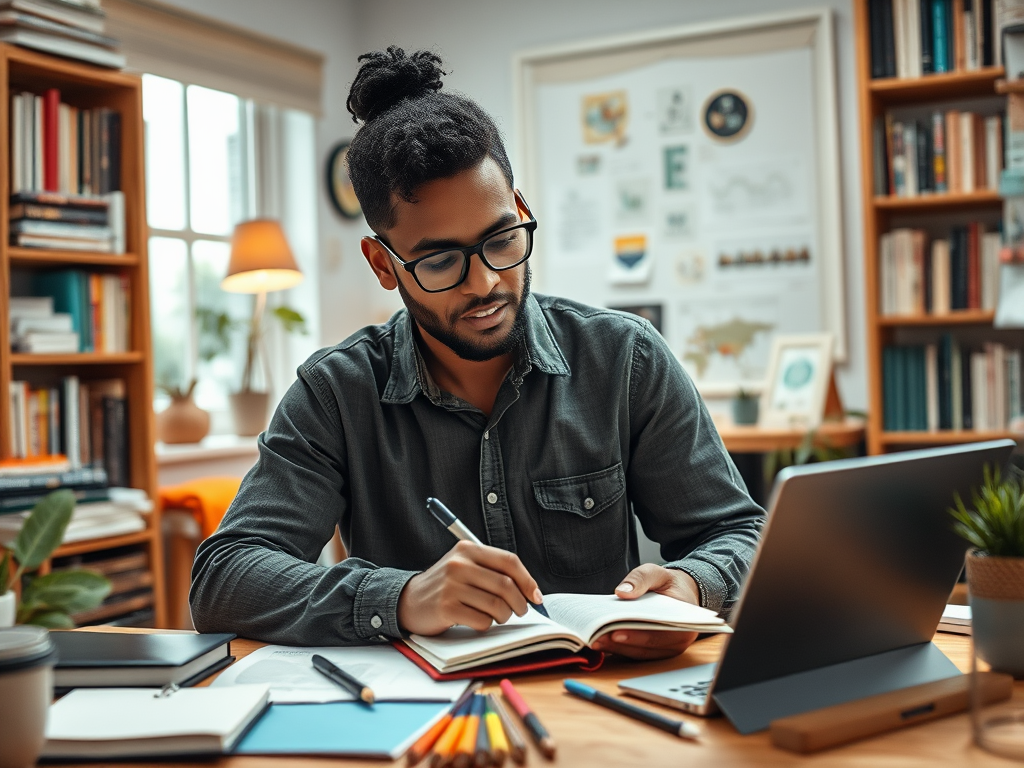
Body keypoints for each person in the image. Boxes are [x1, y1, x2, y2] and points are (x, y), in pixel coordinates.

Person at [190, 47, 764, 661]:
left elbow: (737, 531)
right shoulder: (337, 392)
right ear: (384, 264)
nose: (485, 281)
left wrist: (693, 585)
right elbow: (225, 577)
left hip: (600, 701)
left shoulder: (625, 360)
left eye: (500, 239)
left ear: (520, 210)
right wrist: (404, 596)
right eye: (440, 261)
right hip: (420, 725)